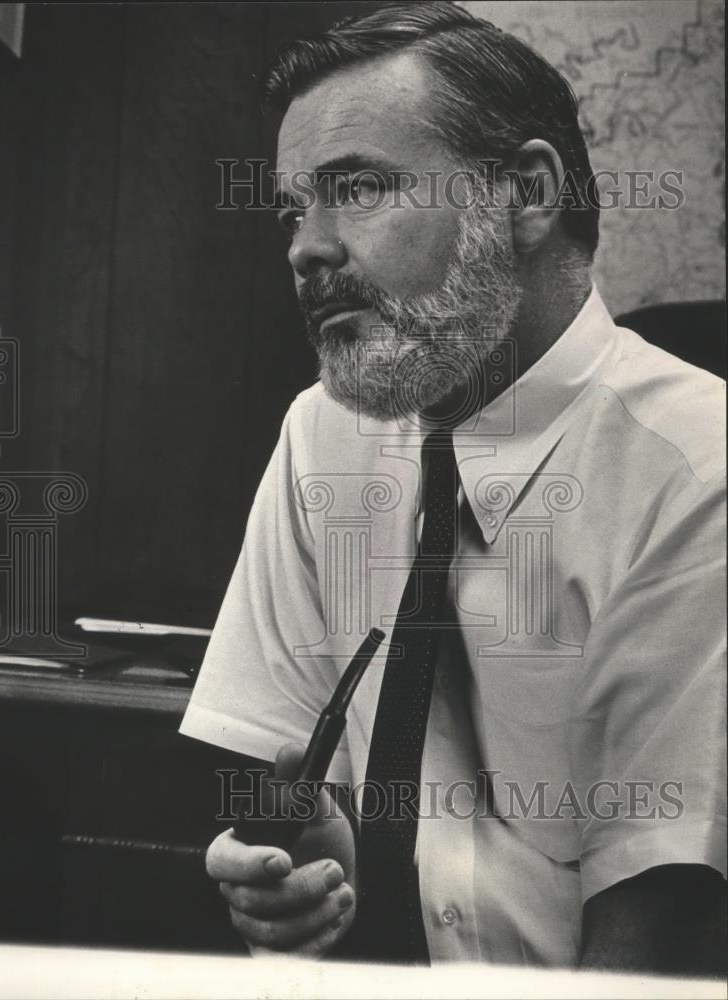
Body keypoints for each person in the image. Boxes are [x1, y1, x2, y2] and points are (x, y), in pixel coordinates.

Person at [180, 2, 726, 972]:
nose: (305, 247)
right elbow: (281, 769)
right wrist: (303, 862)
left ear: (525, 193)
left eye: (357, 188)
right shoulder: (322, 435)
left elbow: (661, 942)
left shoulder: (700, 471)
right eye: (290, 209)